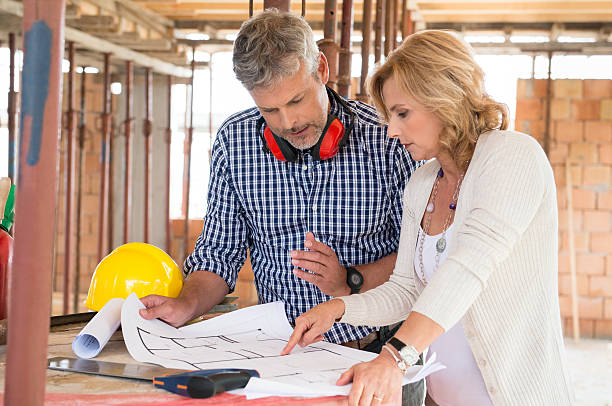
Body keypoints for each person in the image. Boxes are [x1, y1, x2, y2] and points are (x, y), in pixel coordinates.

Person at [138, 9, 424, 405]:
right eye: (270, 111)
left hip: (375, 359)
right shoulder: (234, 143)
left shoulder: (388, 139)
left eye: (296, 100)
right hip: (278, 362)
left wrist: (351, 280)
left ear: (320, 69)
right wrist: (186, 303)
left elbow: (421, 257)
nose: (288, 122)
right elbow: (220, 253)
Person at [282, 30, 574, 406]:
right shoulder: (422, 183)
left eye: (403, 113)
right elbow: (407, 289)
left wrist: (392, 358)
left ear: (445, 97)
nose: (392, 131)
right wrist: (338, 309)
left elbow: (467, 269)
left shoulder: (512, 156)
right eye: (389, 116)